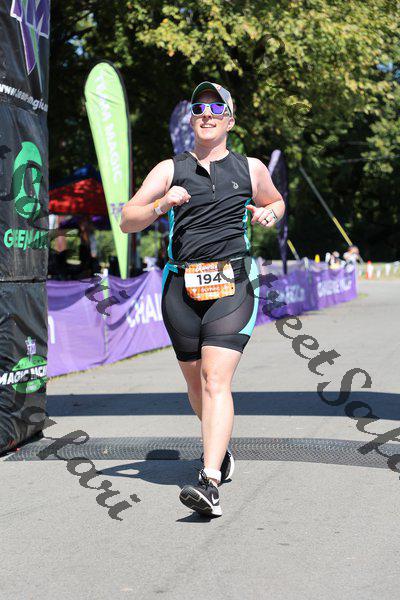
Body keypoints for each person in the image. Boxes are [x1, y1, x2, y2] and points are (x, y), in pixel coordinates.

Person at [120, 82, 285, 517]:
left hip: (233, 283)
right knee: (196, 386)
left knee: (215, 380)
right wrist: (161, 204)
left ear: (230, 120)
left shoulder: (250, 168)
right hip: (180, 288)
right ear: (191, 120)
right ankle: (220, 448)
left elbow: (275, 201)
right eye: (199, 108)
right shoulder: (170, 168)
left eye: (216, 108)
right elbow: (127, 220)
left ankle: (209, 480)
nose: (207, 114)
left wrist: (269, 212)